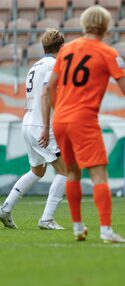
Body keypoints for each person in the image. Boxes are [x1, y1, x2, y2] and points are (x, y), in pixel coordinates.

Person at [43, 5, 125, 243]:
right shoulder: (107, 52)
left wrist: (60, 113)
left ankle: (78, 227)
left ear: (84, 23)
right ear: (107, 26)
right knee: (99, 175)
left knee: (72, 174)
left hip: (61, 119)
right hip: (83, 119)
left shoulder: (66, 51)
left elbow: (50, 87)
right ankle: (106, 230)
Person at [0, 29, 67, 230]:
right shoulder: (54, 65)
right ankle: (47, 218)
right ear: (61, 47)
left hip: (27, 122)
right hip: (41, 125)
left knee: (37, 170)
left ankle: (6, 208)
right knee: (67, 171)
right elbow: (47, 92)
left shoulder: (34, 66)